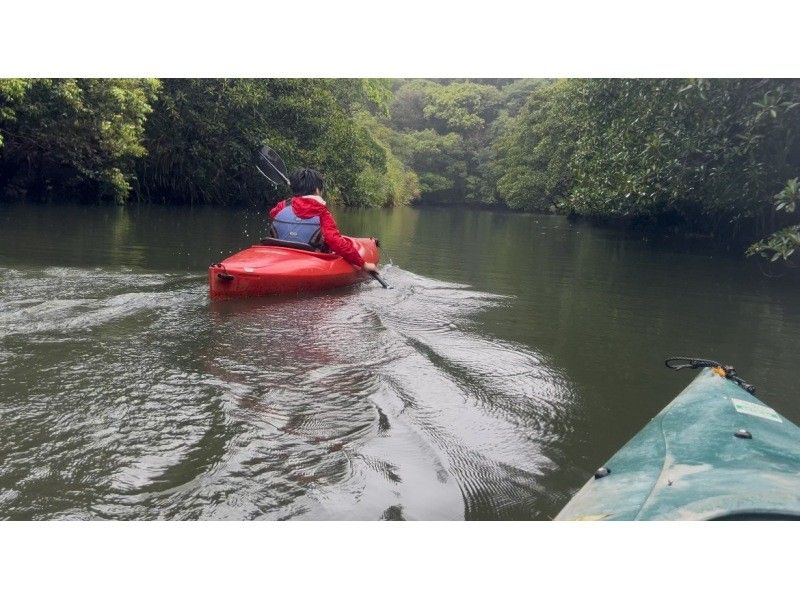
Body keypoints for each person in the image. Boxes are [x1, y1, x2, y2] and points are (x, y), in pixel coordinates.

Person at [269, 168, 378, 272]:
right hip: (311, 260)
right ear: (317, 190)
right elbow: (335, 241)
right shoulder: (322, 212)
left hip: (280, 255)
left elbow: (273, 214)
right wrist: (363, 264)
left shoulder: (283, 205)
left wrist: (292, 202)